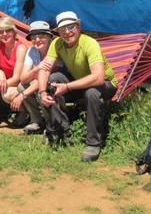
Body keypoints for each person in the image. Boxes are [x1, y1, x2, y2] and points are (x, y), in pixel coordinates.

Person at [37, 11, 118, 162]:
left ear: (78, 27)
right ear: (59, 32)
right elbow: (45, 68)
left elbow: (99, 78)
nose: (67, 32)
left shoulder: (90, 43)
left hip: (106, 84)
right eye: (62, 29)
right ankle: (63, 131)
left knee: (92, 93)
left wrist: (67, 87)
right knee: (53, 80)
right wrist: (42, 92)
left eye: (71, 27)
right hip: (80, 82)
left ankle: (93, 143)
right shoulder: (57, 43)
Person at [15, 20, 56, 134]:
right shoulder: (32, 51)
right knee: (21, 86)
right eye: (34, 37)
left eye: (41, 35)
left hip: (56, 84)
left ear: (49, 36)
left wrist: (23, 95)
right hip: (40, 83)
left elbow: (45, 80)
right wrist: (37, 68)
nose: (37, 40)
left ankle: (51, 124)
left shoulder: (55, 49)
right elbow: (23, 78)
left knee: (40, 90)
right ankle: (37, 121)